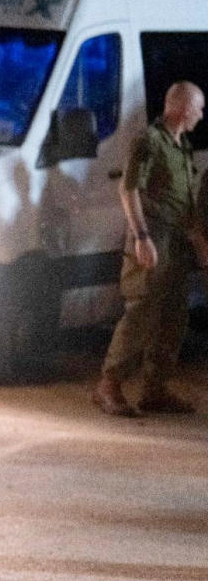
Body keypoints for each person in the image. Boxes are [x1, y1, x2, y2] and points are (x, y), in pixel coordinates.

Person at [93, 81, 205, 417]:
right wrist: (142, 237)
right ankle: (109, 386)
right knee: (141, 313)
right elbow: (129, 191)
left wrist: (198, 241)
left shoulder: (181, 146)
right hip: (153, 239)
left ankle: (155, 389)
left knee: (173, 317)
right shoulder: (149, 141)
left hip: (177, 244)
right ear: (183, 108)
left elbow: (184, 203)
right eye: (199, 108)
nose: (202, 115)